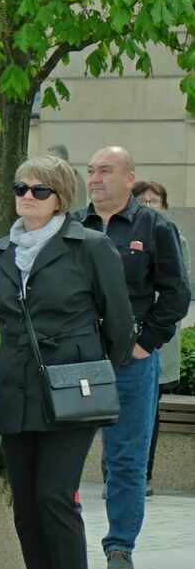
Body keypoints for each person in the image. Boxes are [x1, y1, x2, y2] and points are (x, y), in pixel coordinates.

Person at [0, 155, 133, 569]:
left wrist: (85, 366)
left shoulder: (89, 247)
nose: (27, 195)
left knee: (55, 494)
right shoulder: (2, 249)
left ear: (61, 198)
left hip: (72, 387)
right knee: (26, 501)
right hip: (16, 385)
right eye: (20, 187)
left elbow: (118, 326)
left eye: (39, 190)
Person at [74, 146, 189, 569]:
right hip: (80, 363)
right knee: (66, 455)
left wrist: (146, 344)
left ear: (129, 179)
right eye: (90, 170)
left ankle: (120, 544)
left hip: (132, 365)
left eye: (105, 170)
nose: (95, 178)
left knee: (126, 458)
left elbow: (177, 293)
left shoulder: (155, 226)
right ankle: (60, 541)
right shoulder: (72, 225)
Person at [132, 181, 191, 494]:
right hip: (124, 339)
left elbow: (180, 289)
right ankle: (116, 475)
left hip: (156, 337)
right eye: (142, 200)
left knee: (149, 411)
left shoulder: (173, 238)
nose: (148, 205)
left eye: (154, 201)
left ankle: (145, 475)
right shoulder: (121, 235)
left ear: (164, 206)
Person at [46, 144, 87, 208]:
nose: (47, 162)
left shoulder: (63, 175)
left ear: (57, 158)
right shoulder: (76, 173)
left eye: (50, 158)